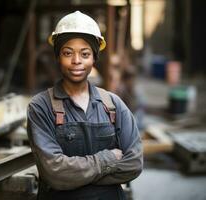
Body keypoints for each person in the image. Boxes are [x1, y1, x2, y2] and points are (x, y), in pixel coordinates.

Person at [27, 11, 143, 200]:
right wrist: (107, 159)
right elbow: (54, 173)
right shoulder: (40, 107)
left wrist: (74, 177)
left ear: (94, 58)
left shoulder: (112, 104)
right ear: (58, 57)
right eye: (67, 53)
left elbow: (134, 164)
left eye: (85, 53)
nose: (76, 61)